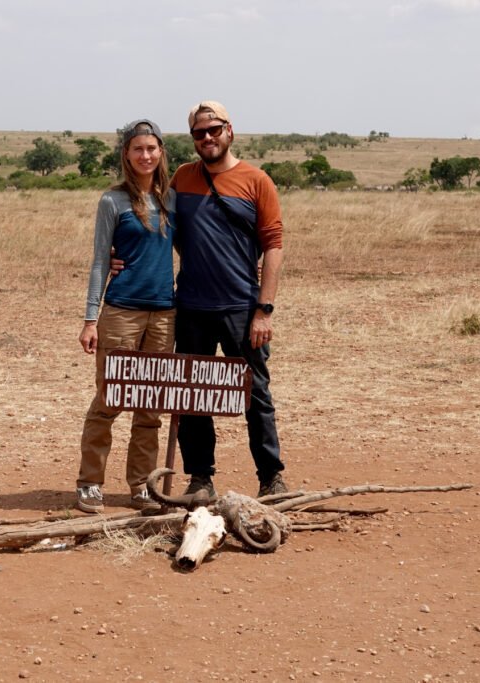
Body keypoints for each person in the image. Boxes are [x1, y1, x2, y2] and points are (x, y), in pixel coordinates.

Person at [171, 100, 288, 499]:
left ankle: (270, 477)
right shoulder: (181, 178)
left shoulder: (257, 181)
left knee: (255, 394)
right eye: (199, 133)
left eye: (213, 130)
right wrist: (120, 259)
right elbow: (158, 232)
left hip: (242, 308)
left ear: (229, 130)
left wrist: (264, 309)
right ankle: (200, 478)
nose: (207, 138)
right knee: (192, 394)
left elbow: (273, 245)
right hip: (190, 308)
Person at [75, 119, 177, 514]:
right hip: (120, 313)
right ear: (127, 154)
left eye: (152, 149)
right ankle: (89, 484)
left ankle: (142, 486)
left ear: (161, 153)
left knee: (150, 403)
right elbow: (102, 260)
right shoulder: (112, 201)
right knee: (110, 398)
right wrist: (89, 319)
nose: (146, 155)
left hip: (165, 314)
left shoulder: (173, 199)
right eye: (138, 149)